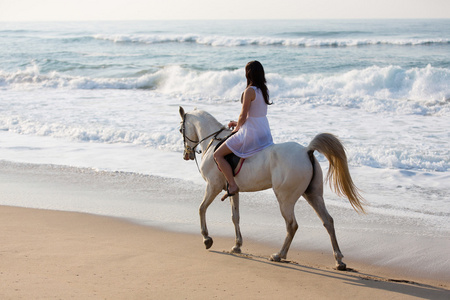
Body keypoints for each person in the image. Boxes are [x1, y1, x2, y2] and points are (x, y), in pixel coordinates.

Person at [214, 61, 274, 201]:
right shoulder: (264, 90)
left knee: (218, 155)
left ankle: (233, 185)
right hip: (263, 130)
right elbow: (254, 114)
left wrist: (236, 128)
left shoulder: (249, 91)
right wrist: (238, 122)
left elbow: (243, 114)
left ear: (248, 73)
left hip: (251, 132)